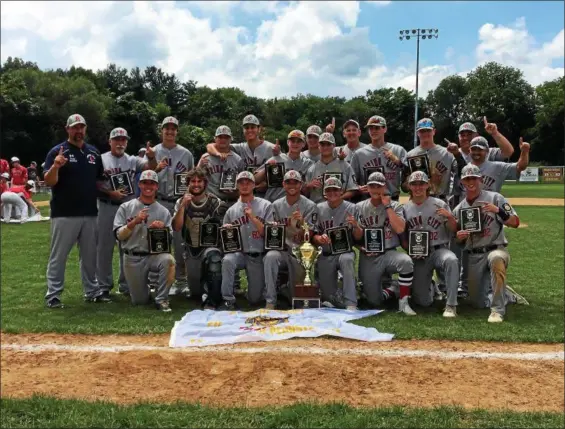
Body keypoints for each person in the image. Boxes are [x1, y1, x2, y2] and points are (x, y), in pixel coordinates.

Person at [43, 113, 109, 308]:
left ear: (85, 128)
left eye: (81, 127)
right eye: (74, 127)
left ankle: (92, 291)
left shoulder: (94, 153)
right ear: (68, 129)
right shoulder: (57, 151)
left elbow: (98, 181)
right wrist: (56, 166)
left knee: (89, 257)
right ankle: (53, 295)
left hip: (89, 212)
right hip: (64, 213)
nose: (78, 131)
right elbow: (49, 181)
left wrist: (112, 192)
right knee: (59, 256)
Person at [453, 165, 520, 323]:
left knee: (497, 258)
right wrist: (459, 237)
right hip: (474, 255)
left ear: (480, 180)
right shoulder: (459, 209)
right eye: (467, 179)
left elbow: (515, 222)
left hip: (495, 249)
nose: (471, 182)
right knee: (477, 303)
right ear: (462, 182)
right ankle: (506, 295)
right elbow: (457, 240)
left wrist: (498, 211)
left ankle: (497, 310)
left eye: (474, 178)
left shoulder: (496, 198)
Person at [96, 127, 156, 298]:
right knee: (104, 247)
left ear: (127, 142)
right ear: (110, 141)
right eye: (117, 139)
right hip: (107, 205)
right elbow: (94, 183)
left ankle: (126, 284)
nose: (120, 143)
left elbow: (151, 169)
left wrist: (151, 156)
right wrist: (109, 193)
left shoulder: (132, 160)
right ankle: (104, 286)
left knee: (127, 246)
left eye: (123, 140)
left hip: (128, 206)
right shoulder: (101, 159)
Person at [352, 172, 417, 315]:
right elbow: (355, 238)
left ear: (384, 187)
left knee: (405, 262)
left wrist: (388, 207)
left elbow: (400, 228)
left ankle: (404, 302)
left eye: (378, 186)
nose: (375, 190)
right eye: (372, 186)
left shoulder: (396, 205)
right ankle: (393, 288)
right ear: (367, 188)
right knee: (374, 301)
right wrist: (361, 248)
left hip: (389, 252)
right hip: (368, 256)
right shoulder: (358, 207)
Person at [113, 170, 175, 312]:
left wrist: (160, 231)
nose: (148, 186)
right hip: (133, 257)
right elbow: (118, 236)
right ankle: (147, 289)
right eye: (145, 183)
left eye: (152, 183)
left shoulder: (163, 211)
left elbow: (169, 239)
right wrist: (133, 222)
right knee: (140, 301)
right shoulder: (126, 207)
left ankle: (162, 299)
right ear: (139, 185)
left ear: (156, 187)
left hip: (154, 255)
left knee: (168, 260)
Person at [402, 171, 459, 317]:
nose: (418, 187)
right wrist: (411, 251)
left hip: (439, 249)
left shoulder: (439, 204)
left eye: (421, 183)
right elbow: (403, 237)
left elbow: (453, 230)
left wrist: (450, 217)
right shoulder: (405, 208)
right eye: (414, 184)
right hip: (419, 255)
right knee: (422, 302)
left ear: (427, 185)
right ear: (409, 186)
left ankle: (451, 305)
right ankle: (433, 287)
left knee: (451, 260)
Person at [151, 116, 195, 296]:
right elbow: (145, 177)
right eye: (166, 128)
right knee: (156, 240)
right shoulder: (152, 151)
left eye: (173, 128)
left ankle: (181, 281)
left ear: (177, 131)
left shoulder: (186, 154)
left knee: (179, 243)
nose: (170, 131)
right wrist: (155, 168)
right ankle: (154, 281)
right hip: (159, 200)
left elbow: (193, 178)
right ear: (161, 130)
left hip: (178, 201)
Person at [172, 167, 227, 309]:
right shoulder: (181, 202)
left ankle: (212, 301)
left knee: (214, 258)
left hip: (210, 248)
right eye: (193, 181)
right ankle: (204, 289)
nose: (196, 184)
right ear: (188, 184)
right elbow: (177, 227)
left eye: (199, 181)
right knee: (195, 292)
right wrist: (183, 206)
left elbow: (222, 230)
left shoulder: (216, 203)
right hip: (191, 250)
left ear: (205, 183)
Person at [264, 170, 318, 309]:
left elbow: (309, 235)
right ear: (283, 184)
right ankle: (271, 300)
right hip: (281, 249)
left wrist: (302, 224)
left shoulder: (310, 205)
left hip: (300, 251)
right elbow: (271, 232)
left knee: (297, 299)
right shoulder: (275, 205)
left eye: (296, 182)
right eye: (288, 182)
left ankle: (289, 292)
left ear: (301, 185)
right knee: (270, 257)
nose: (292, 185)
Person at [219, 171, 274, 310]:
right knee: (228, 260)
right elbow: (225, 243)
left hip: (257, 255)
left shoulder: (266, 205)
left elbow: (269, 235)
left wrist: (253, 218)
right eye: (241, 183)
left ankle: (256, 292)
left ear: (254, 185)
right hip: (240, 254)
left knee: (255, 300)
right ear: (237, 185)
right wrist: (227, 231)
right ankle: (228, 300)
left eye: (248, 182)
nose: (245, 185)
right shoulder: (231, 211)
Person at [311, 177, 358, 310]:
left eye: (335, 190)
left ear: (341, 191)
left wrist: (356, 226)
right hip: (326, 253)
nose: (332, 193)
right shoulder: (318, 208)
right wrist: (319, 238)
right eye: (329, 190)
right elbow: (313, 235)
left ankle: (351, 303)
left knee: (347, 260)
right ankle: (338, 296)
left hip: (345, 252)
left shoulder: (352, 208)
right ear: (324, 192)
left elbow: (359, 237)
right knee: (328, 297)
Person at [205, 114, 276, 198]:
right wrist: (218, 153)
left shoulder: (271, 148)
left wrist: (267, 183)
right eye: (246, 128)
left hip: (267, 196)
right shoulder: (239, 148)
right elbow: (211, 146)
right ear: (243, 130)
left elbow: (279, 174)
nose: (249, 130)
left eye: (252, 127)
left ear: (259, 129)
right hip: (245, 195)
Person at [350, 115, 407, 202]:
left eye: (377, 128)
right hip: (368, 200)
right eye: (371, 128)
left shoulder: (398, 150)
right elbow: (351, 180)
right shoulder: (359, 154)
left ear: (385, 129)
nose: (373, 131)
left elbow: (409, 172)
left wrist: (397, 161)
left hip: (392, 199)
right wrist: (358, 188)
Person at [403, 118, 457, 203]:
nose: (425, 133)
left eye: (428, 130)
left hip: (440, 200)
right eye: (422, 131)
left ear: (434, 131)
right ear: (417, 133)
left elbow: (461, 172)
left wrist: (457, 154)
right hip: (417, 200)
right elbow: (404, 186)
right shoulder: (410, 155)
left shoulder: (447, 153)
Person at [458, 136, 530, 197]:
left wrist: (524, 151)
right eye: (473, 149)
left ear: (487, 151)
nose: (476, 152)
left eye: (480, 149)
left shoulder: (497, 167)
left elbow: (520, 167)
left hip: (490, 210)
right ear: (469, 150)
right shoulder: (463, 168)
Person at [254, 130, 314, 203]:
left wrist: (307, 185)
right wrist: (266, 169)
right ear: (288, 142)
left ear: (304, 144)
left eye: (298, 141)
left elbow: (308, 191)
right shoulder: (277, 158)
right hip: (272, 202)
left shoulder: (308, 164)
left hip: (295, 204)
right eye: (292, 141)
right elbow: (255, 179)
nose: (295, 144)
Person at [197, 125, 246, 208]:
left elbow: (244, 183)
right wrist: (200, 166)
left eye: (226, 137)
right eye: (220, 137)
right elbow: (196, 179)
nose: (223, 140)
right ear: (215, 139)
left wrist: (236, 189)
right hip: (210, 202)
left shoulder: (238, 160)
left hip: (232, 202)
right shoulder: (206, 158)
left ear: (231, 139)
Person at [304, 132, 359, 204]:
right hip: (319, 209)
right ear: (318, 146)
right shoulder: (312, 169)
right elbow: (305, 194)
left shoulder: (345, 166)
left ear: (334, 146)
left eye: (328, 144)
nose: (325, 147)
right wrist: (308, 186)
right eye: (322, 144)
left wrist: (338, 198)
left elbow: (353, 190)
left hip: (340, 208)